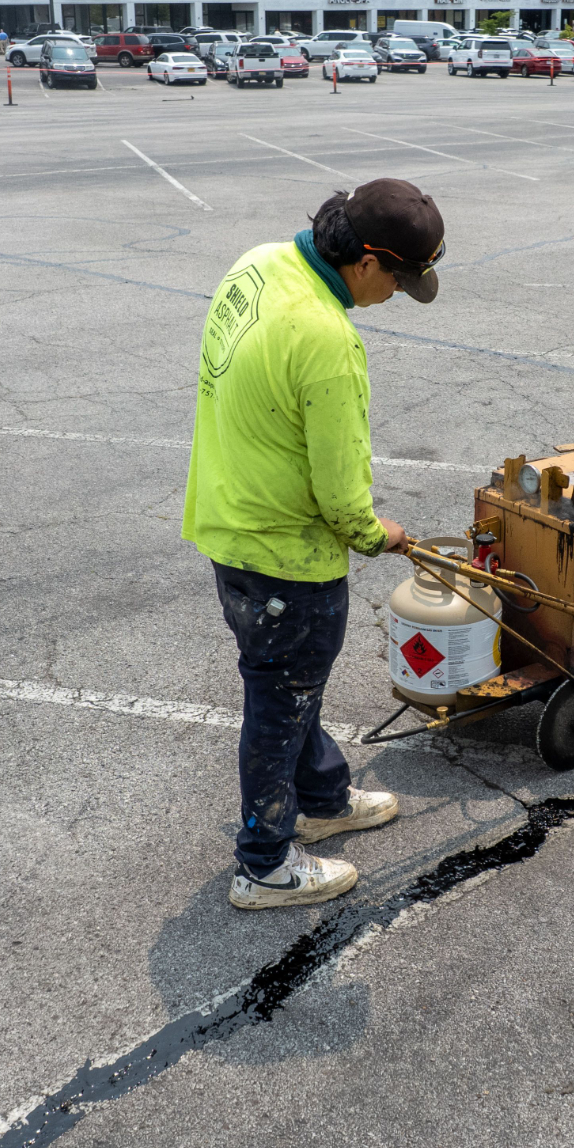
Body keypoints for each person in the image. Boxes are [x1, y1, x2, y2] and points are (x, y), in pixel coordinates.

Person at [183, 179, 445, 910]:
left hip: (227, 514)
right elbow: (341, 499)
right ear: (365, 259)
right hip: (282, 556)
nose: (397, 292)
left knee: (290, 685)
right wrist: (378, 534)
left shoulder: (259, 263)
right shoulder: (329, 340)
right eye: (398, 277)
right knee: (280, 698)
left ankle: (324, 796)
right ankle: (264, 864)